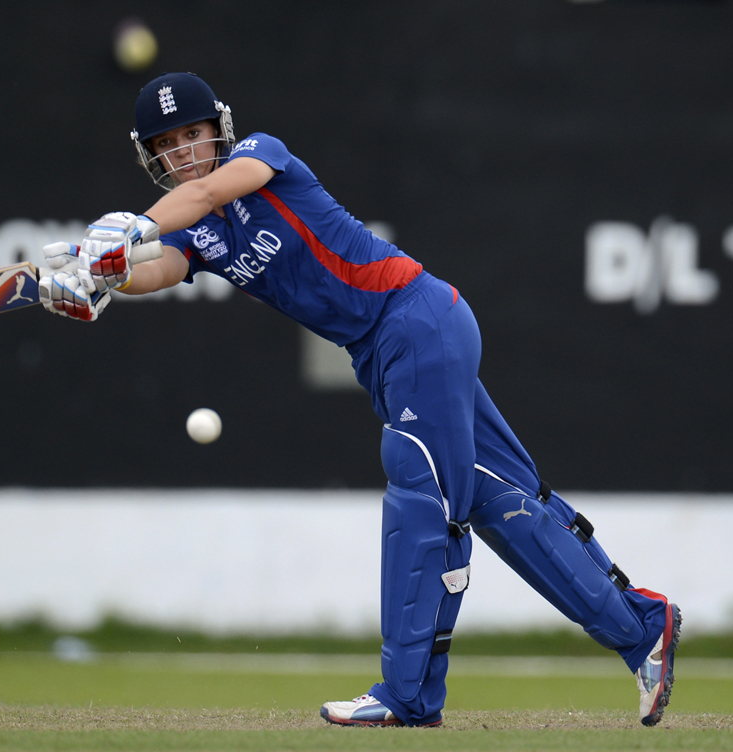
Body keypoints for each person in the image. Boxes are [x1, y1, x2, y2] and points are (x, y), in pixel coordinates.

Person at [38, 72, 681, 728]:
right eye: (166, 144)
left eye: (193, 135)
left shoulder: (262, 155)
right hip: (385, 352)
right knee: (495, 497)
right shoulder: (193, 235)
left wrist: (133, 227)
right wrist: (104, 277)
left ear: (219, 130)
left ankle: (406, 697)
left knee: (420, 493)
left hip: (414, 317)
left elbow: (205, 191)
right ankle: (641, 628)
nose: (184, 153)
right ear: (151, 156)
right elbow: (158, 269)